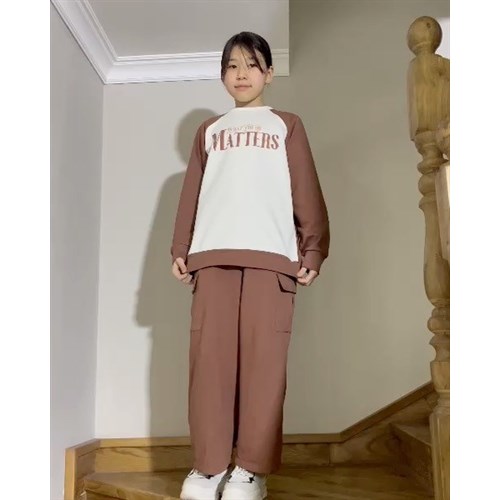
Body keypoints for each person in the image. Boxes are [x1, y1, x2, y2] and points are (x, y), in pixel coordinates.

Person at [171, 31, 330, 500]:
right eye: (232, 66)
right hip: (213, 259)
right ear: (223, 75)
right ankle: (208, 467)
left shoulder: (287, 125)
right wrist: (181, 247)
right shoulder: (209, 131)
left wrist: (314, 248)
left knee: (264, 366)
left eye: (252, 65)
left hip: (271, 260)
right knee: (210, 366)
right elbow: (192, 192)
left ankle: (250, 470)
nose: (241, 74)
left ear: (269, 74)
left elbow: (305, 187)